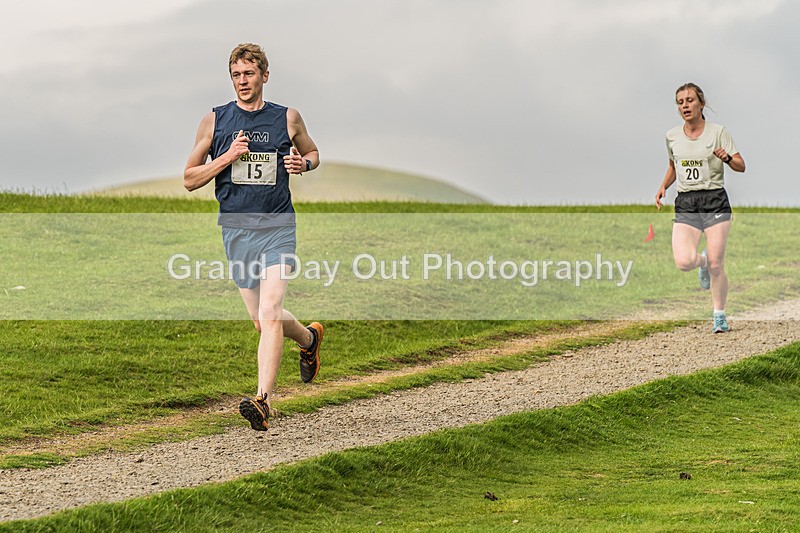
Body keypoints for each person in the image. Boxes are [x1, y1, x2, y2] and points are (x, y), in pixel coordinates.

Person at [184, 43, 323, 431]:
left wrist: (304, 164)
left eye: (249, 74)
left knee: (271, 309)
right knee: (264, 322)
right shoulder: (214, 121)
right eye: (236, 75)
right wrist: (227, 157)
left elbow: (313, 152)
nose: (242, 82)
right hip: (236, 232)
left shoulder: (287, 118)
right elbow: (189, 179)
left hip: (278, 228)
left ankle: (262, 400)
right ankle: (310, 340)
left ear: (264, 75)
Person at [655, 82, 746, 333]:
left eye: (690, 100)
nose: (685, 105)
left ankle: (719, 315)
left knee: (718, 265)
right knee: (684, 262)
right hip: (686, 202)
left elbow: (741, 165)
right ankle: (703, 262)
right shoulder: (672, 136)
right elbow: (674, 166)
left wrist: (726, 158)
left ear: (701, 104)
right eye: (680, 102)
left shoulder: (718, 132)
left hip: (714, 199)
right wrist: (663, 186)